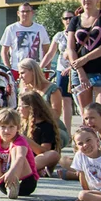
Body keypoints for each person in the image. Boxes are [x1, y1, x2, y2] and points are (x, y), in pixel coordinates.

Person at [41, 10, 76, 138]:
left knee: (79, 101)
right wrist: (39, 67)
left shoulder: (79, 33)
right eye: (65, 18)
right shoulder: (59, 35)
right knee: (65, 100)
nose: (68, 20)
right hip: (62, 70)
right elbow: (50, 53)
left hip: (77, 69)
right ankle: (67, 132)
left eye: (71, 18)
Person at [17, 59, 66, 144]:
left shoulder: (52, 89)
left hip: (50, 128)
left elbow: (56, 114)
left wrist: (36, 104)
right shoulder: (23, 90)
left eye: (22, 73)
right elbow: (21, 113)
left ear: (33, 71)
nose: (20, 77)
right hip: (28, 127)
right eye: (19, 74)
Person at [18, 90, 61, 174]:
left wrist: (25, 139)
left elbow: (44, 151)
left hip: (38, 160)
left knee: (53, 154)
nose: (18, 109)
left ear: (30, 108)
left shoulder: (46, 125)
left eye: (21, 106)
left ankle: (25, 169)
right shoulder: (22, 124)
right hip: (21, 158)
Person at [0, 2, 50, 71]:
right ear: (18, 13)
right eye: (23, 11)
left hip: (36, 70)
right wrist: (9, 69)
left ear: (32, 13)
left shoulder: (40, 29)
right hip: (17, 70)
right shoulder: (11, 29)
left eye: (28, 11)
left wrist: (47, 70)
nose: (25, 14)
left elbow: (47, 51)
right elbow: (4, 52)